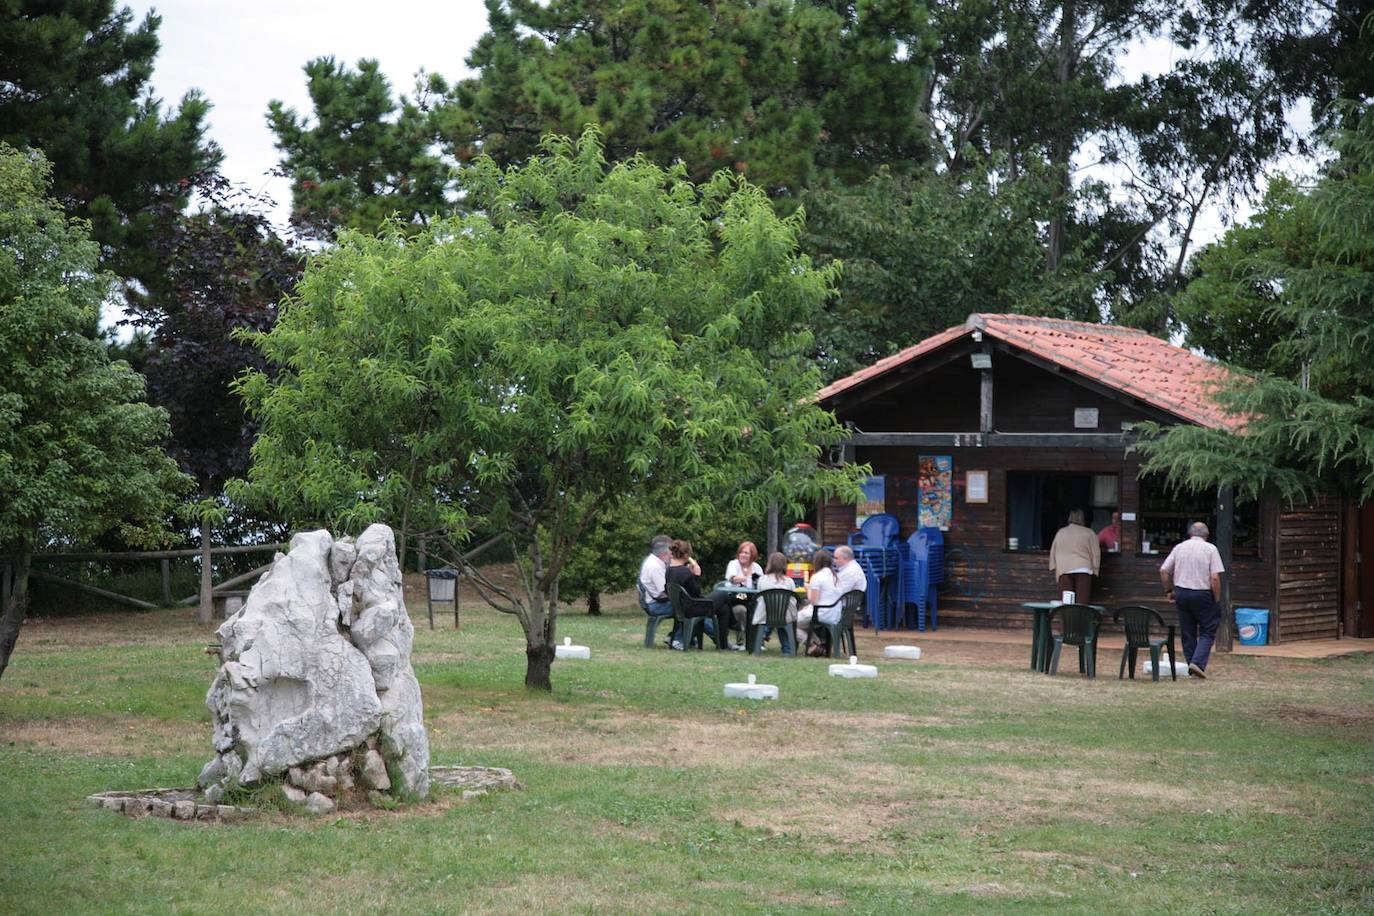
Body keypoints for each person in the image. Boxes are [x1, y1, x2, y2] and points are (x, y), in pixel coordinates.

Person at [1159, 521, 1226, 679]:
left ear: (1190, 534)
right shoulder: (1211, 549)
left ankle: (1191, 664)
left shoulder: (1180, 547)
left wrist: (1169, 590)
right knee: (1208, 630)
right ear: (1207, 535)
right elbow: (1215, 577)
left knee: (1188, 631)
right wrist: (1216, 598)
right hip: (1203, 593)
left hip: (1181, 592)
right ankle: (1197, 663)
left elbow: (1163, 570)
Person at [664, 540, 737, 650]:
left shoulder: (669, 570)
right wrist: (696, 575)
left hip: (681, 607)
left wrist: (689, 573)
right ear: (686, 555)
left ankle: (723, 644)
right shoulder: (685, 572)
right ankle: (734, 624)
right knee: (723, 593)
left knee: (724, 608)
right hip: (693, 608)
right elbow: (696, 592)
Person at [1048, 509, 1100, 603]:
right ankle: (1081, 618)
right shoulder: (1089, 533)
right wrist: (1095, 570)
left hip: (1064, 569)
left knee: (1066, 603)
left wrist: (1053, 566)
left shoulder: (1061, 532)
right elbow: (1096, 554)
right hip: (1083, 568)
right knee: (1082, 602)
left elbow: (1053, 551)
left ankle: (1067, 618)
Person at [751, 552, 798, 650]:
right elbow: (793, 600)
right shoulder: (789, 581)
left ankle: (761, 638)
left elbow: (759, 598)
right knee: (782, 618)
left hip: (765, 614)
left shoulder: (762, 580)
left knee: (771, 615)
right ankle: (787, 649)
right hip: (785, 615)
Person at [796, 549, 839, 654]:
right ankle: (818, 644)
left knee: (789, 622)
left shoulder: (817, 577)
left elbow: (813, 600)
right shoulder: (835, 577)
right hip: (833, 613)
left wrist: (808, 589)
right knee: (800, 624)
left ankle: (813, 644)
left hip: (820, 613)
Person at [638, 535, 676, 644]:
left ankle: (679, 637)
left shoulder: (653, 562)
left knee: (690, 606)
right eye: (671, 552)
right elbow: (665, 591)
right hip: (656, 605)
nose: (672, 555)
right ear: (664, 554)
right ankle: (677, 639)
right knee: (690, 608)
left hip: (653, 602)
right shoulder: (655, 567)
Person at [723, 540, 763, 641]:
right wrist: (748, 578)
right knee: (742, 610)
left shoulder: (757, 567)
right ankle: (742, 641)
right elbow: (733, 579)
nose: (743, 555)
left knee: (758, 608)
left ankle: (757, 640)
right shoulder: (733, 564)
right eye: (741, 552)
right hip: (735, 600)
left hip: (752, 600)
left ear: (752, 555)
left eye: (746, 553)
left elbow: (761, 583)